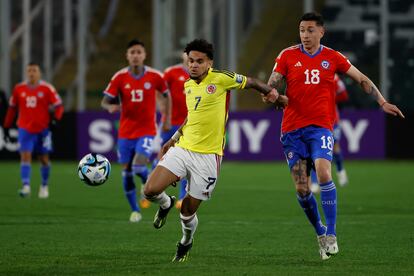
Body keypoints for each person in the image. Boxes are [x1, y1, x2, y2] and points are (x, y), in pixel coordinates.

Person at [267, 12, 404, 260]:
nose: (305, 35)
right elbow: (272, 85)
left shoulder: (333, 57)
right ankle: (319, 231)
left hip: (321, 127)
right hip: (292, 131)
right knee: (301, 189)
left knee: (323, 172)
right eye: (301, 30)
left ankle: (331, 233)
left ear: (322, 31)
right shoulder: (287, 55)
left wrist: (382, 102)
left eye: (310, 30)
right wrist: (273, 94)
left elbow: (362, 79)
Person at [143, 38, 288, 262]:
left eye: (199, 61)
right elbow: (193, 116)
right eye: (190, 61)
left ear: (209, 63)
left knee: (188, 212)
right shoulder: (188, 85)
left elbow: (251, 82)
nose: (193, 65)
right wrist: (173, 138)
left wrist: (273, 94)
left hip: (208, 157)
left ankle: (186, 241)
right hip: (183, 148)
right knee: (149, 190)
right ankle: (166, 203)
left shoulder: (221, 78)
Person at [101, 39, 171, 223]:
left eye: (139, 52)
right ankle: (135, 210)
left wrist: (167, 119)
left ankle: (147, 186)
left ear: (144, 55)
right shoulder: (120, 77)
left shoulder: (155, 76)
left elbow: (167, 95)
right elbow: (105, 100)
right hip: (125, 133)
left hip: (146, 130)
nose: (135, 55)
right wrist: (110, 107)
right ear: (127, 55)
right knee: (126, 172)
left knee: (138, 165)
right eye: (132, 52)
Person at [3, 62, 64, 199]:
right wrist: (6, 126)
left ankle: (44, 185)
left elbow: (59, 106)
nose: (31, 73)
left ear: (39, 73)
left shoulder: (47, 89)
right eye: (29, 70)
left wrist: (56, 120)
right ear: (26, 73)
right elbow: (12, 109)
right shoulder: (18, 89)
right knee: (25, 156)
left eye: (34, 70)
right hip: (25, 128)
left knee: (44, 159)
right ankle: (26, 186)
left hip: (43, 129)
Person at [155, 52, 190, 209]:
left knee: (185, 160)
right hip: (169, 123)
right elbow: (158, 89)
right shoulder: (171, 72)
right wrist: (162, 106)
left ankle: (183, 196)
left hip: (188, 125)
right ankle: (154, 189)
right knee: (162, 155)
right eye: (188, 54)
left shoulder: (202, 75)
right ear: (183, 55)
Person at [310, 73, 349, 193]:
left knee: (335, 147)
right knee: (313, 150)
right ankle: (315, 182)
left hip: (332, 119)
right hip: (314, 118)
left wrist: (331, 98)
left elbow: (344, 95)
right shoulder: (311, 73)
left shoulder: (334, 77)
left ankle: (341, 171)